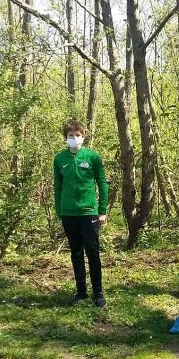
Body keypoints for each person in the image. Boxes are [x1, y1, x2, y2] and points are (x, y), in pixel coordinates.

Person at [53, 119, 109, 308]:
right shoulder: (60, 159)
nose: (74, 139)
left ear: (83, 137)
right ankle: (81, 292)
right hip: (69, 212)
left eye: (77, 135)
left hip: (89, 212)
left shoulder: (93, 157)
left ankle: (98, 293)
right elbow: (58, 186)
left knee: (92, 252)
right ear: (65, 138)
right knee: (76, 253)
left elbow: (102, 183)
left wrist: (102, 210)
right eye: (70, 136)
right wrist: (59, 210)